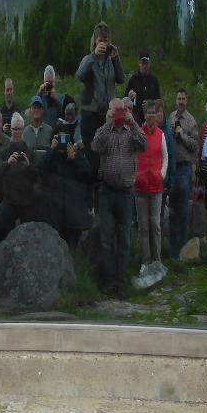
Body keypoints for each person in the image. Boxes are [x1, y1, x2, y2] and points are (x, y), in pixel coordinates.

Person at [90, 96, 146, 296]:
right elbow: (95, 146)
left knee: (124, 240)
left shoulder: (132, 132)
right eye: (116, 110)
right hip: (107, 191)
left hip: (126, 193)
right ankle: (108, 282)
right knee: (106, 239)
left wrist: (133, 122)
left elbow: (144, 145)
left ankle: (121, 282)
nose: (119, 114)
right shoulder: (104, 131)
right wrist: (108, 123)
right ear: (109, 111)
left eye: (122, 110)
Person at [0, 113, 41, 269]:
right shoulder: (5, 151)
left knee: (30, 234)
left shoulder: (29, 151)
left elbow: (37, 177)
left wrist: (28, 166)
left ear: (23, 129)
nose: (17, 132)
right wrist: (7, 164)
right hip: (9, 202)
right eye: (14, 129)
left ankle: (31, 266)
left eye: (19, 129)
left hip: (27, 202)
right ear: (10, 129)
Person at [43, 101, 96, 249]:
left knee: (70, 246)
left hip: (73, 212)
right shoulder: (52, 156)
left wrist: (75, 158)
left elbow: (89, 175)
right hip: (55, 211)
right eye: (58, 138)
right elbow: (40, 169)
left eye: (64, 138)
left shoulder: (74, 155)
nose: (62, 142)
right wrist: (51, 150)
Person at [76, 22, 125, 171]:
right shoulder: (88, 59)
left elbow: (121, 79)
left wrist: (116, 58)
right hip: (90, 116)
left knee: (107, 157)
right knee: (92, 158)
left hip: (107, 117)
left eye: (105, 40)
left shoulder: (111, 61)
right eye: (100, 40)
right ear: (95, 42)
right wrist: (94, 55)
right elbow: (80, 75)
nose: (103, 43)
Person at [134, 99, 172, 274]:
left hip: (156, 187)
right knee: (143, 226)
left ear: (157, 116)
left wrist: (161, 174)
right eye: (148, 112)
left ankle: (157, 261)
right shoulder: (138, 134)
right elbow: (133, 155)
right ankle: (145, 261)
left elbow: (166, 157)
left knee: (156, 224)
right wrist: (136, 175)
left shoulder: (161, 134)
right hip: (140, 187)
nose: (151, 115)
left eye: (153, 113)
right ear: (144, 115)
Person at [166, 89, 199, 259]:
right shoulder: (170, 117)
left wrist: (182, 135)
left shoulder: (191, 121)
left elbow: (195, 145)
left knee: (183, 210)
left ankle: (184, 251)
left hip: (184, 168)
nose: (180, 101)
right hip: (171, 168)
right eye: (178, 98)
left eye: (183, 99)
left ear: (187, 101)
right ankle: (172, 252)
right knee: (172, 210)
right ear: (175, 100)